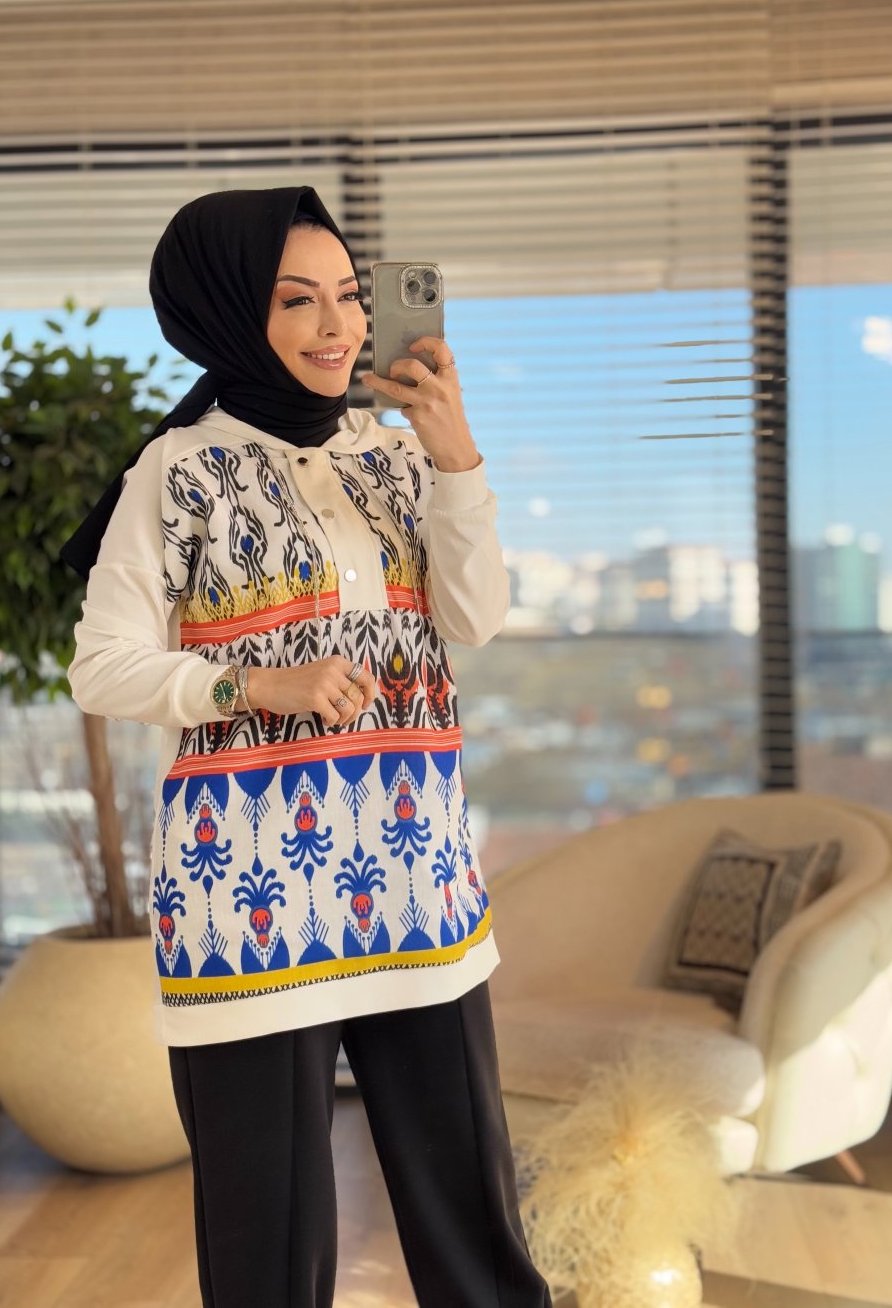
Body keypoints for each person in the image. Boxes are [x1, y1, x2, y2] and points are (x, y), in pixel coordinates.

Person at [60, 186, 554, 1308]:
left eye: (347, 295)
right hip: (246, 903)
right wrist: (251, 684)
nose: (338, 326)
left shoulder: (401, 458)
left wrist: (456, 455)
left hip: (417, 882)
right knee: (268, 1258)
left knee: (480, 1244)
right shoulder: (175, 470)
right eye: (297, 300)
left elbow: (474, 616)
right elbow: (101, 666)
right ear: (230, 312)